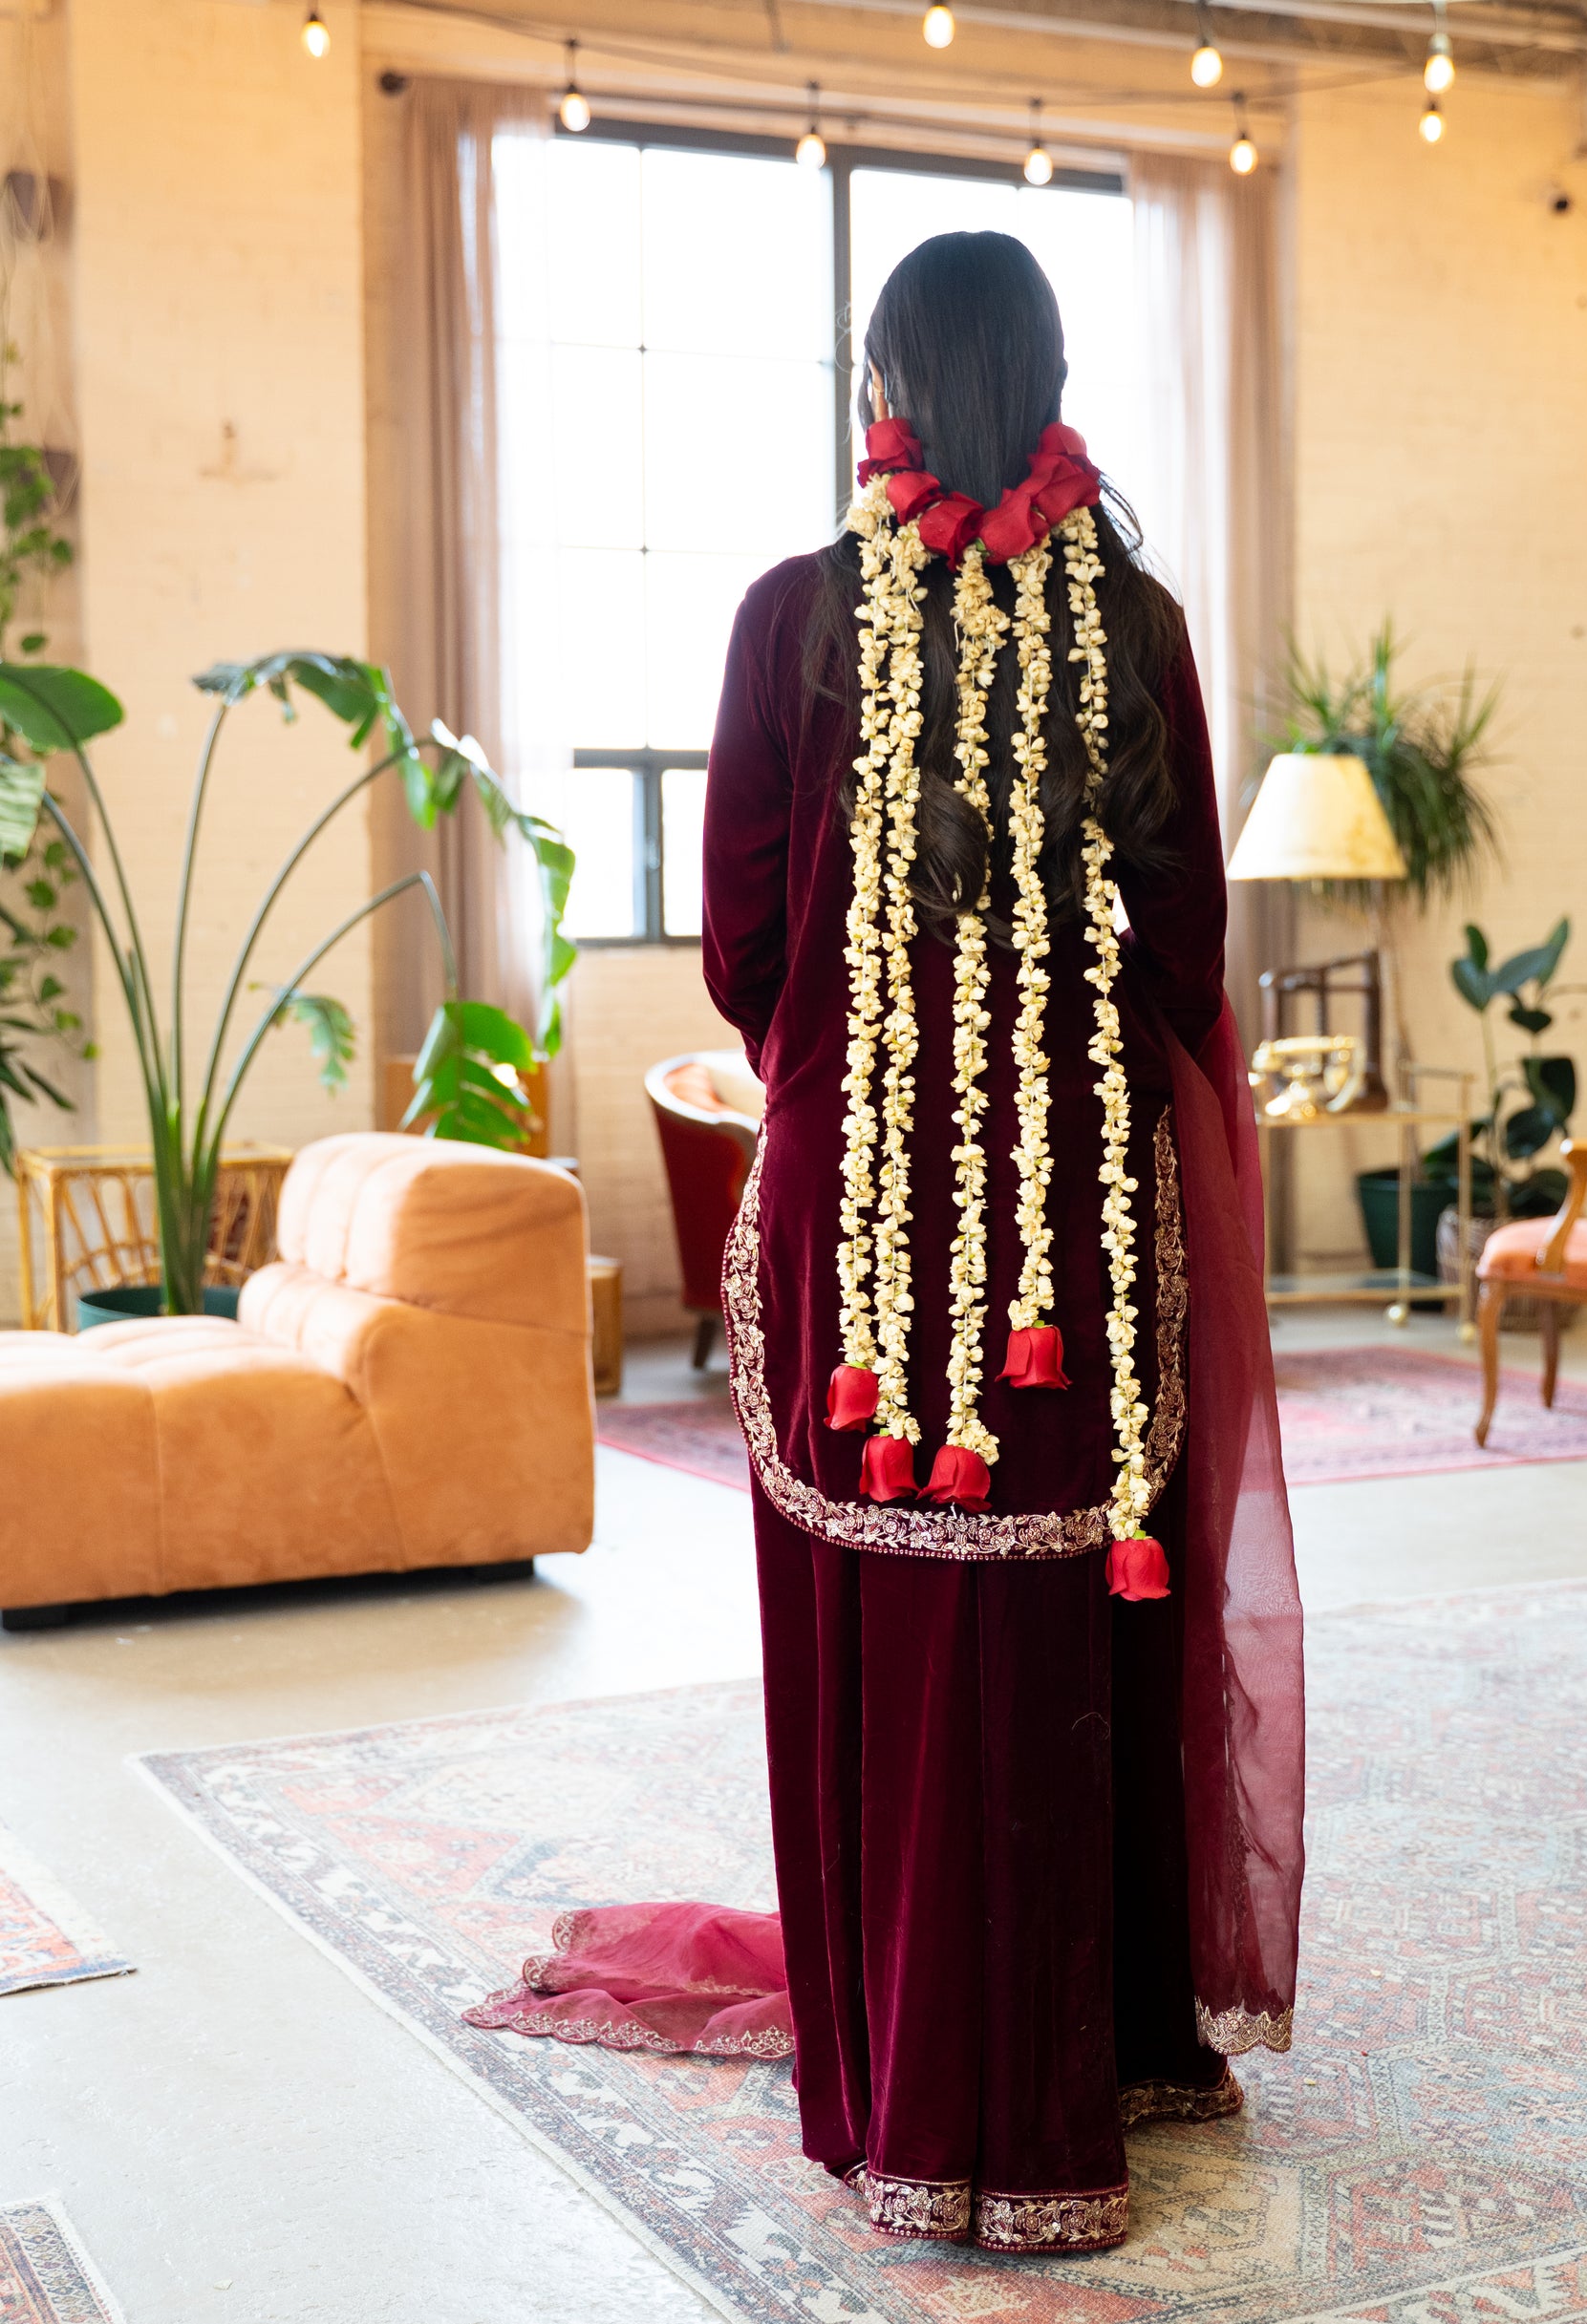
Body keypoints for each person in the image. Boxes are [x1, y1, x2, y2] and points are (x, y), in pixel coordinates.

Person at [467, 229, 1303, 2257]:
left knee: (885, 1617)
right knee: (1084, 1595)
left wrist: (864, 1068)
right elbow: (1183, 950)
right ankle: (1104, 2048)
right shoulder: (1136, 617)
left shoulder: (794, 617)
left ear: (884, 389)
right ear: (1055, 380)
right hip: (1074, 1207)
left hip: (867, 1216)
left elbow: (746, 943)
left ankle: (903, 2082)